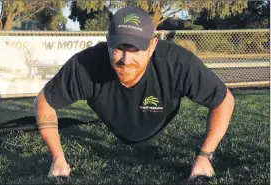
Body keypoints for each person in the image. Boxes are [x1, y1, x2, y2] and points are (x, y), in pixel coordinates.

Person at [33, 6, 235, 181]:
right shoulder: (85, 65)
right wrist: (57, 158)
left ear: (153, 45)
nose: (126, 59)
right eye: (119, 48)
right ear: (107, 42)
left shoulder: (178, 63)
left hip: (158, 125)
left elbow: (224, 100)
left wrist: (205, 156)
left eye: (136, 49)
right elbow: (45, 100)